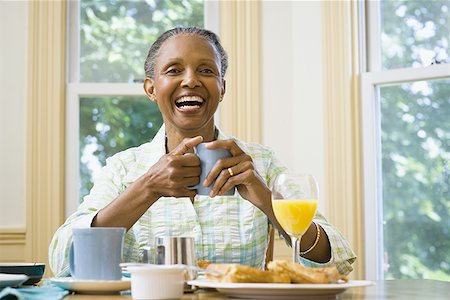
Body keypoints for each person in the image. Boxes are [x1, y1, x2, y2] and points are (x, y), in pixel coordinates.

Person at [49, 27, 356, 277]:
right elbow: (63, 260)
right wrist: (146, 188)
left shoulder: (260, 161)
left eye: (206, 70)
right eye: (173, 70)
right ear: (151, 88)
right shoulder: (123, 168)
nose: (191, 81)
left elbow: (336, 259)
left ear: (222, 87)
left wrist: (265, 198)